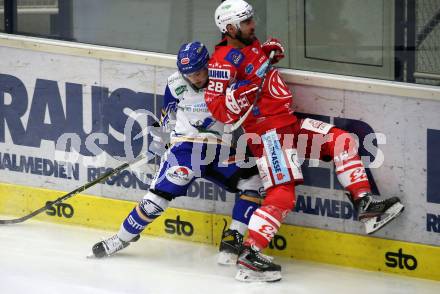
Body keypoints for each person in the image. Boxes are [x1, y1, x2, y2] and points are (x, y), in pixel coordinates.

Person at [205, 0, 405, 282]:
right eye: (246, 22)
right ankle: (250, 254)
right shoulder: (221, 62)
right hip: (268, 135)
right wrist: (238, 95)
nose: (253, 25)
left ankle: (365, 207)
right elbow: (218, 109)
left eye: (251, 19)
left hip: (290, 124)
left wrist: (266, 54)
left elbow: (255, 73)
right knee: (282, 193)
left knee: (341, 141)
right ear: (229, 28)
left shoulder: (250, 44)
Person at [90, 41, 264, 265]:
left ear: (208, 64)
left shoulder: (225, 77)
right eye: (189, 75)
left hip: (221, 148)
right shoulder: (174, 84)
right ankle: (121, 238)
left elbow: (251, 87)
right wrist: (160, 139)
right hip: (185, 148)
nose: (195, 79)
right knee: (155, 200)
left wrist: (263, 59)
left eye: (199, 72)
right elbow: (167, 115)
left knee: (253, 182)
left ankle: (233, 239)